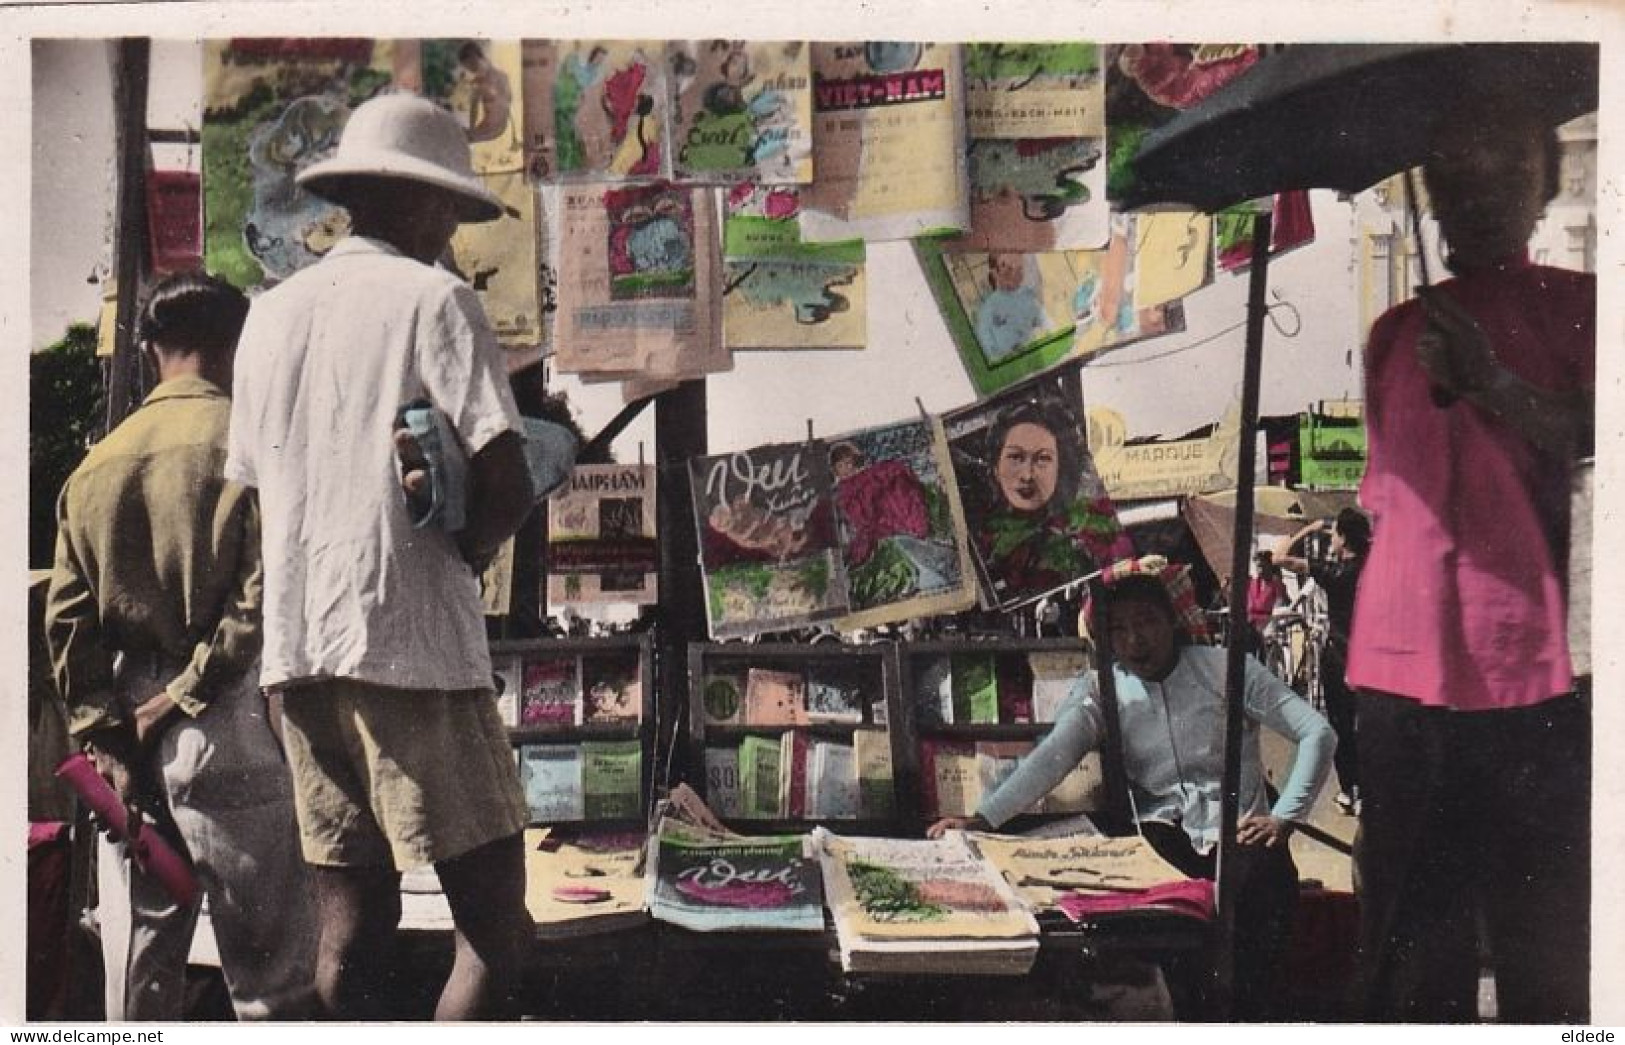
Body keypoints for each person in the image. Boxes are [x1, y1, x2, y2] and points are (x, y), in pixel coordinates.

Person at [225, 92, 537, 1020]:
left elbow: (255, 489)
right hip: (413, 649)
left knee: (351, 921)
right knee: (494, 928)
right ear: (420, 202)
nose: (454, 228)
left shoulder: (269, 315)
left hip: (298, 652)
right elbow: (508, 476)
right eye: (452, 208)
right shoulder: (435, 299)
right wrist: (468, 549)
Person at [1347, 98, 1593, 1023]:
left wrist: (1494, 383)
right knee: (1408, 955)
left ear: (1548, 185)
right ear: (1427, 192)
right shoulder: (1391, 337)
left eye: (1501, 172)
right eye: (1451, 175)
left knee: (1545, 958)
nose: (1473, 195)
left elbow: (1589, 433)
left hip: (1528, 682)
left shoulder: (1581, 306)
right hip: (1398, 684)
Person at [44, 272, 317, 1020]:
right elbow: (259, 598)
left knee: (135, 982)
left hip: (122, 754)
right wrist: (181, 696)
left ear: (148, 349)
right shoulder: (252, 444)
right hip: (230, 729)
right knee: (271, 985)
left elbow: (66, 623)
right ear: (240, 345)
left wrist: (105, 734)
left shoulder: (95, 465)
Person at [929, 557, 1335, 1021]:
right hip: (1162, 839)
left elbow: (1317, 733)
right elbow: (1052, 756)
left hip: (1239, 834)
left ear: (1173, 622)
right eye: (1118, 630)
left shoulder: (1226, 669)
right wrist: (984, 818)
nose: (1135, 640)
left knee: (1256, 908)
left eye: (1146, 622)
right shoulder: (1102, 690)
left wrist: (1285, 816)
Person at [973, 399, 1132, 606]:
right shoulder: (980, 549)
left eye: (1043, 458)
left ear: (1061, 468)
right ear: (995, 467)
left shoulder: (1095, 531)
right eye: (1016, 457)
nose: (1028, 475)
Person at [1275, 508, 1371, 814]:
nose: (1330, 538)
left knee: (1341, 724)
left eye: (1334, 533)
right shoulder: (1371, 568)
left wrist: (1308, 529)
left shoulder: (1334, 573)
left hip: (1339, 655)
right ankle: (1368, 789)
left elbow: (1279, 557)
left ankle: (1350, 790)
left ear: (1343, 537)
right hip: (1370, 655)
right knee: (1367, 724)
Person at [974, 252, 1048, 364]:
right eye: (1008, 269)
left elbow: (1045, 326)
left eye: (1018, 269)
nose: (1014, 274)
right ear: (995, 273)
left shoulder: (1029, 297)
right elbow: (987, 351)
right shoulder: (987, 311)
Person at [1245, 549, 1287, 655]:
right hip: (1250, 626)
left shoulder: (1276, 584)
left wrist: (1266, 625)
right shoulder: (1253, 583)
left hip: (1268, 626)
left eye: (1263, 566)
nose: (1260, 570)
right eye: (1258, 567)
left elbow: (1279, 607)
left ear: (1270, 566)